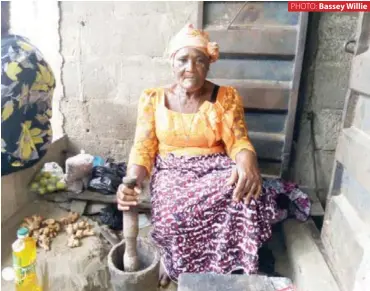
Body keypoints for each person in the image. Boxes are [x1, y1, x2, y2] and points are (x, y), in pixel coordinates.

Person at [116, 24, 310, 286]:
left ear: (209, 64)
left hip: (214, 167)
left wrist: (247, 161)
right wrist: (133, 181)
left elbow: (238, 139)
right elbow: (143, 147)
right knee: (175, 213)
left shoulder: (225, 97)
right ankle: (174, 262)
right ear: (172, 62)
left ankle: (230, 266)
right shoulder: (153, 99)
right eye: (183, 60)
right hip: (172, 170)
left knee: (244, 194)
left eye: (200, 61)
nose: (191, 68)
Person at [1, 32, 55, 176]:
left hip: (18, 152)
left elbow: (5, 124)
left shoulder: (10, 58)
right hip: (37, 141)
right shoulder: (21, 46)